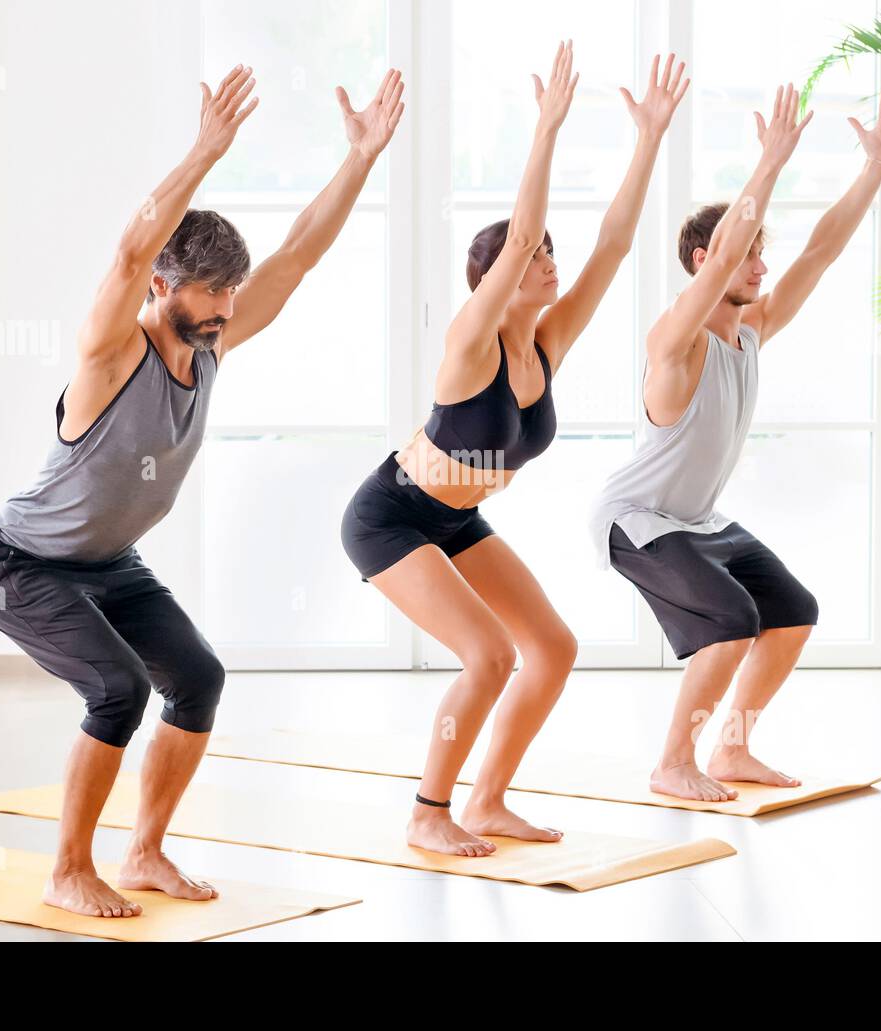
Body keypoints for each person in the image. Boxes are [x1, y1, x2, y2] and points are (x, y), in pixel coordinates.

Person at [0, 65, 405, 916]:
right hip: (19, 564)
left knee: (196, 676)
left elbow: (302, 253)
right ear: (165, 286)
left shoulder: (210, 343)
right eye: (211, 290)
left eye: (232, 290)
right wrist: (205, 150)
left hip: (106, 561)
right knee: (118, 689)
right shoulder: (110, 353)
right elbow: (131, 248)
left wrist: (361, 159)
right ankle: (67, 869)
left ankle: (145, 851)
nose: (227, 306)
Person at [341, 42, 689, 856]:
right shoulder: (471, 343)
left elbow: (611, 245)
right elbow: (525, 224)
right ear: (496, 274)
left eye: (546, 254)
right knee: (488, 654)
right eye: (532, 255)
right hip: (392, 516)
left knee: (552, 648)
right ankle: (430, 809)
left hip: (455, 522)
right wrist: (547, 130)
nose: (548, 259)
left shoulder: (546, 343)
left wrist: (647, 140)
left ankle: (488, 799)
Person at [588, 86, 881, 803]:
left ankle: (732, 747)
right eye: (748, 259)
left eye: (761, 260)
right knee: (731, 621)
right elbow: (721, 266)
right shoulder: (674, 343)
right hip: (636, 520)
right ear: (709, 259)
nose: (762, 269)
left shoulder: (751, 331)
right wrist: (769, 164)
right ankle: (673, 761)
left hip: (698, 520)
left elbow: (823, 251)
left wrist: (875, 169)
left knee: (793, 609)